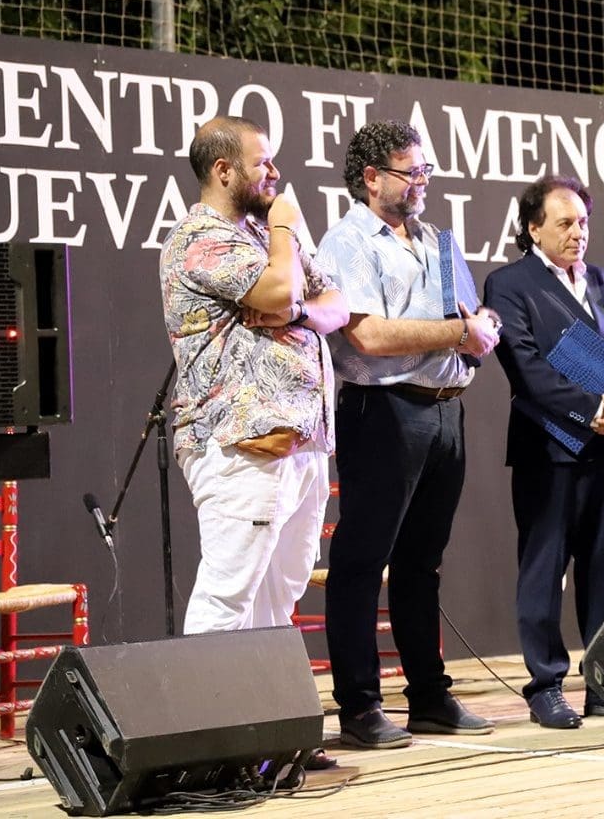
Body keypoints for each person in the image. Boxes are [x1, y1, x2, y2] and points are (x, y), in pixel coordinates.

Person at [160, 115, 348, 767]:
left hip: (299, 443)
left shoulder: (258, 233)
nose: (275, 174)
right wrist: (287, 233)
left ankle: (273, 734)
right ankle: (207, 744)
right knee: (229, 592)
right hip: (237, 441)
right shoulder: (201, 239)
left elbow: (336, 303)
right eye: (263, 163)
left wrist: (290, 304)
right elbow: (278, 284)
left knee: (280, 593)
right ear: (224, 171)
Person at [314, 119, 501, 750]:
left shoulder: (440, 240)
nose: (422, 181)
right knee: (363, 562)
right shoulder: (346, 242)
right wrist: (457, 333)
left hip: (447, 409)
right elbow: (365, 334)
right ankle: (360, 704)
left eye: (425, 170)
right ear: (371, 178)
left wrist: (484, 326)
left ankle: (428, 696)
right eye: (409, 171)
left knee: (422, 563)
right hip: (383, 411)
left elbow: (468, 317)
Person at [484, 176, 604, 729]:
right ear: (533, 229)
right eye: (565, 223)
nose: (578, 232)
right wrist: (590, 408)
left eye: (583, 222)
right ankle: (545, 684)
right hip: (548, 450)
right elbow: (527, 370)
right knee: (543, 569)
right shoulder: (509, 283)